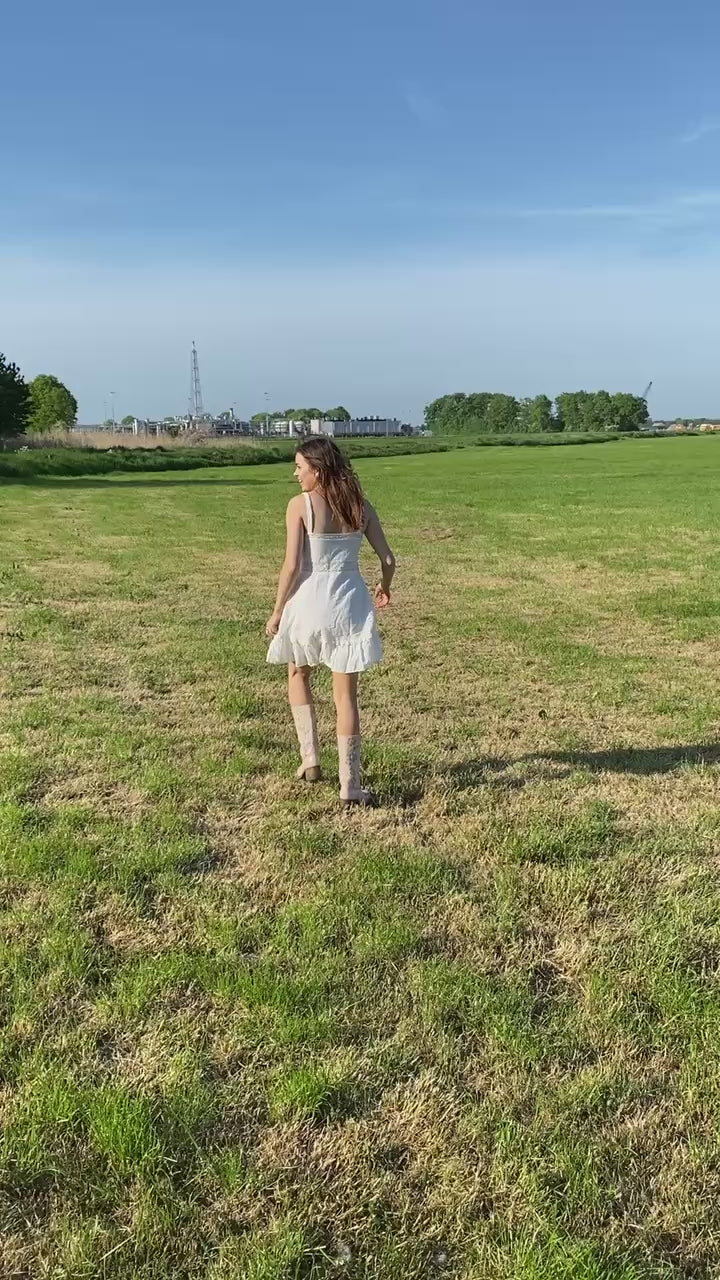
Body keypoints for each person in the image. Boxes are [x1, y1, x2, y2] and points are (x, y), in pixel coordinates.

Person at [266, 437, 396, 807]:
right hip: (349, 605)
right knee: (346, 698)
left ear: (318, 471)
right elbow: (388, 560)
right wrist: (384, 587)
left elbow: (292, 566)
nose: (296, 474)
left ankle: (310, 757)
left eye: (300, 468)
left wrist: (277, 610)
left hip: (309, 602)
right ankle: (350, 786)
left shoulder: (300, 505)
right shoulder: (361, 506)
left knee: (298, 674)